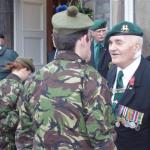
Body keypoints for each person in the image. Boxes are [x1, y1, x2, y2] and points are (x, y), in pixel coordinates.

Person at [15, 6, 116, 150]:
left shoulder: (34, 79)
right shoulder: (92, 79)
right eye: (90, 40)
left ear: (55, 42)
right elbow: (101, 139)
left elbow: (24, 136)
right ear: (83, 40)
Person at [106, 21, 150, 150]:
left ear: (136, 47)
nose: (112, 48)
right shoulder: (112, 72)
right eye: (110, 42)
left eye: (119, 42)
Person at [0, 57, 35, 150]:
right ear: (25, 69)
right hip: (9, 139)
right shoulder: (21, 88)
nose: (28, 77)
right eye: (29, 73)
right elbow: (22, 116)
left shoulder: (1, 82)